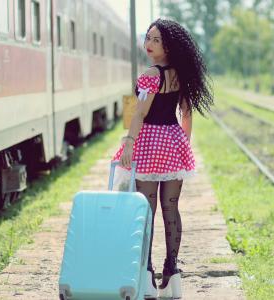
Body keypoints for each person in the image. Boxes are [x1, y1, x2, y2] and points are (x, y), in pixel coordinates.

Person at [112, 19, 213, 299]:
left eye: (156, 40)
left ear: (168, 45)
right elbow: (187, 114)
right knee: (171, 209)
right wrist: (184, 144)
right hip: (171, 141)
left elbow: (139, 114)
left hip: (148, 143)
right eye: (148, 38)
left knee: (146, 212)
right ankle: (172, 275)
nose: (149, 44)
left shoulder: (150, 74)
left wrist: (129, 141)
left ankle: (146, 274)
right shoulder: (180, 74)